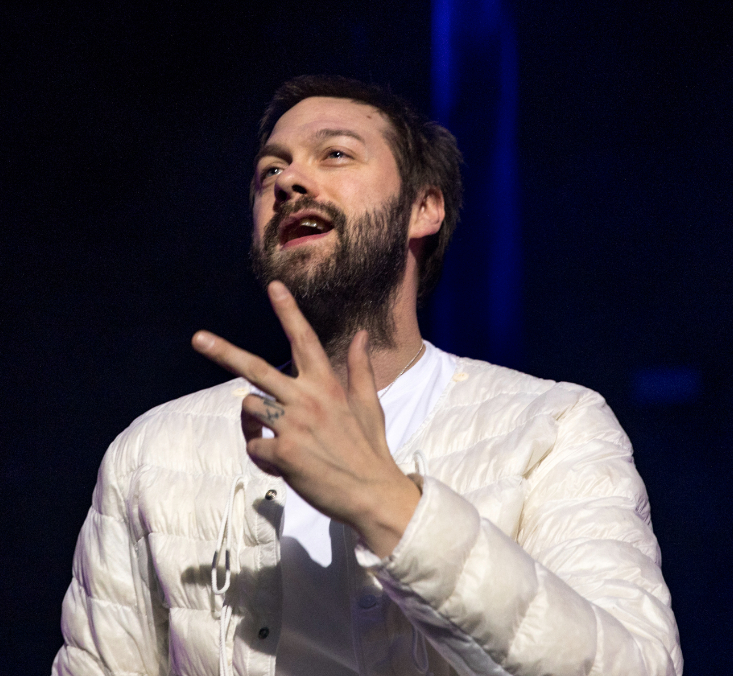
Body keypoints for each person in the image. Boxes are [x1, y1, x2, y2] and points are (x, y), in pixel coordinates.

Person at [52, 76, 682, 676]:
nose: (290, 180)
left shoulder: (553, 427)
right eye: (270, 170)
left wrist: (383, 502)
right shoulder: (153, 452)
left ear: (423, 208)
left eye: (335, 154)